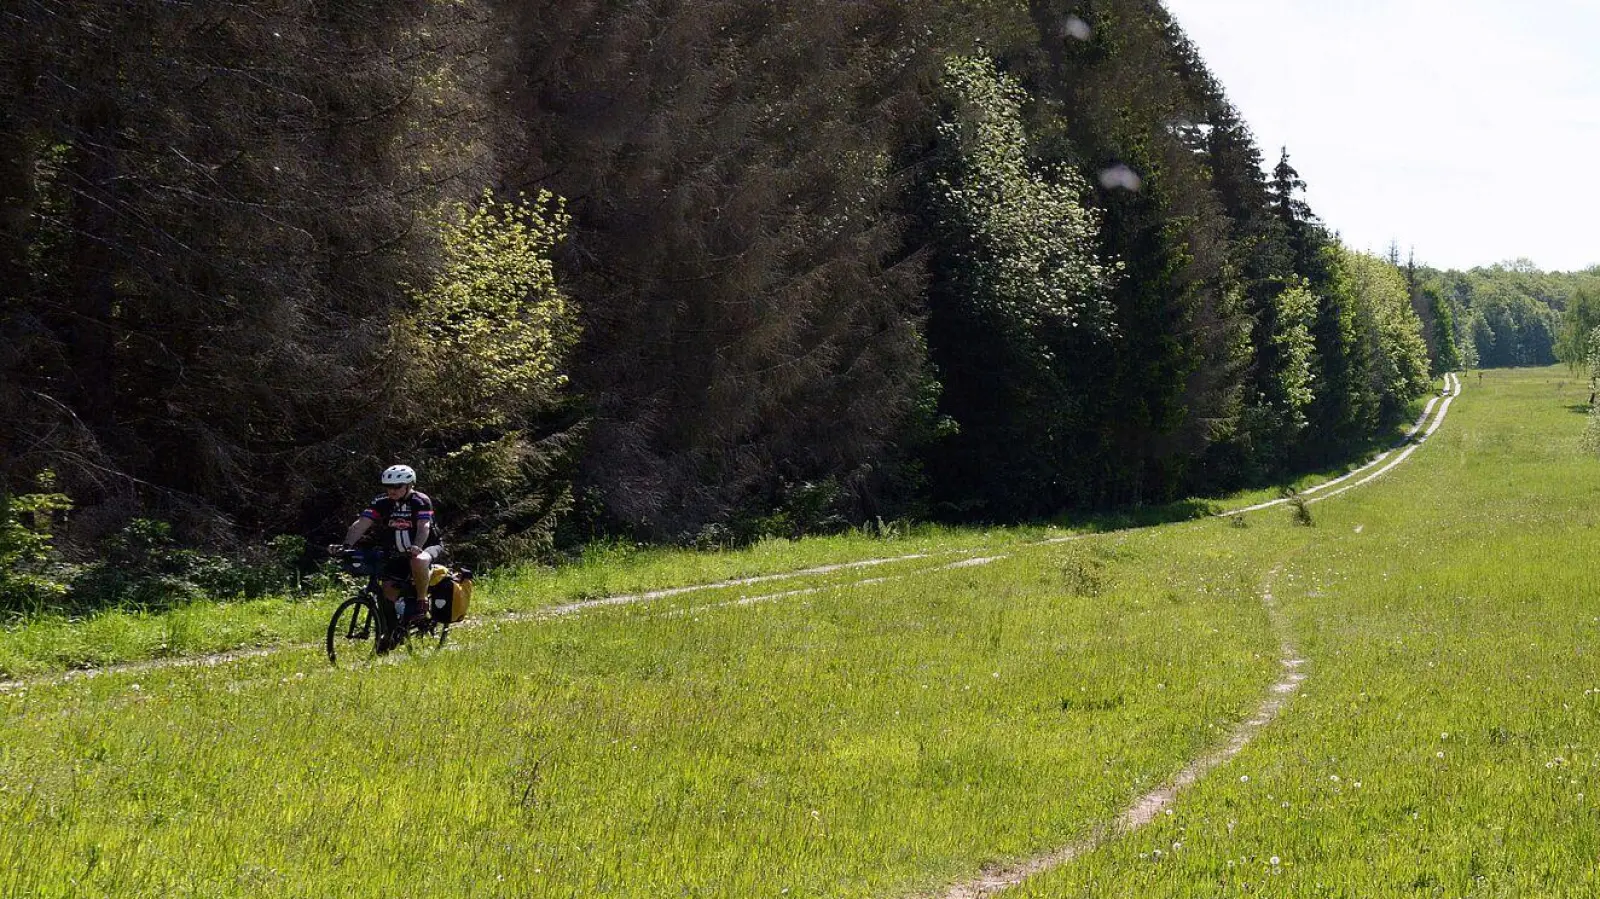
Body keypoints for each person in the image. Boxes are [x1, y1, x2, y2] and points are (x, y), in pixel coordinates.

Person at [339, 464, 444, 625]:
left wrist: (417, 546)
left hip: (428, 546)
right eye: (388, 487)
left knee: (418, 560)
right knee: (388, 589)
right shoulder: (381, 501)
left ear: (409, 485)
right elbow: (362, 523)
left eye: (397, 486)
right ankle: (391, 632)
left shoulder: (420, 500)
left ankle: (422, 601)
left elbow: (424, 526)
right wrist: (346, 545)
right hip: (398, 552)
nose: (392, 490)